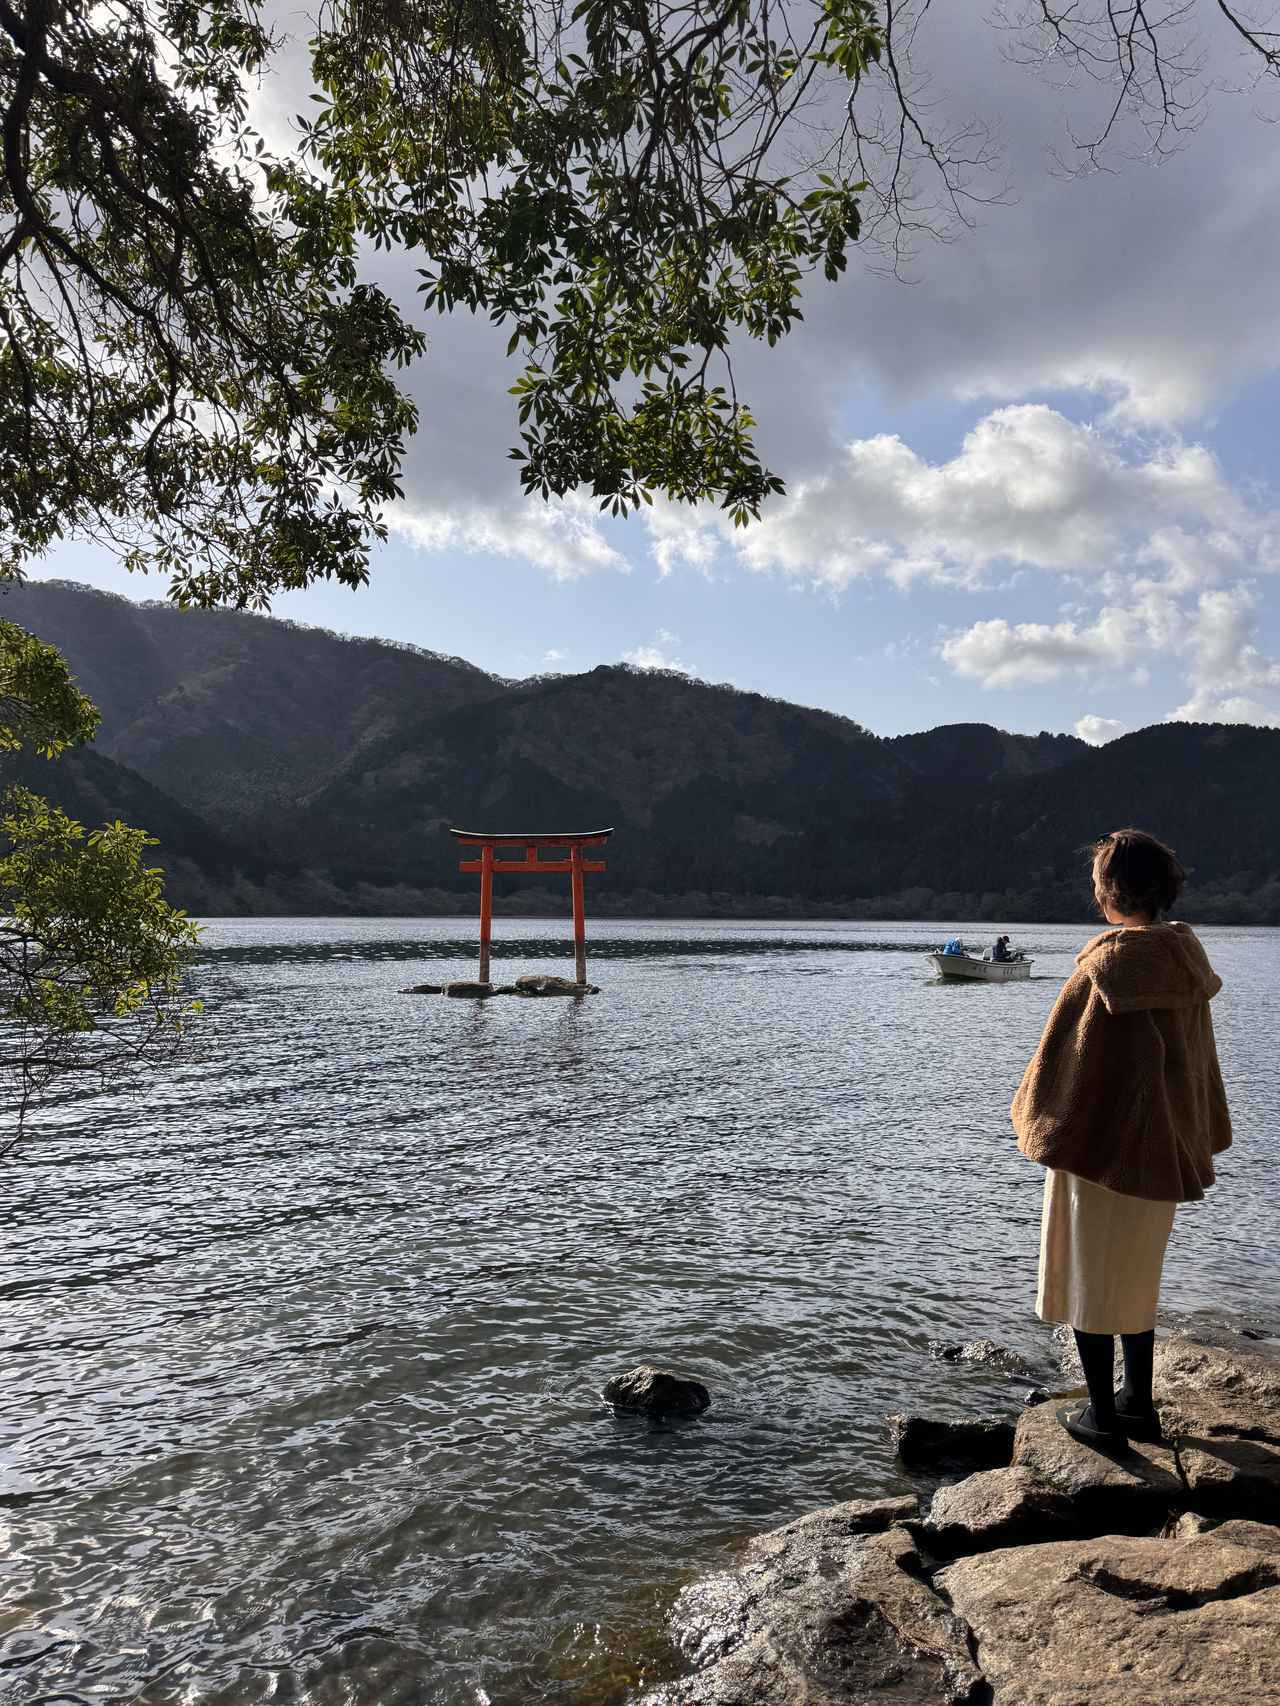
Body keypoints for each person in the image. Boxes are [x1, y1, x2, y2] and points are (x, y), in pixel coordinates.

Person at [1010, 828, 1231, 1450]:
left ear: (1110, 891)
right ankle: (1140, 1403)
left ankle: (1102, 1416)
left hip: (1098, 1151)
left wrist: (1040, 1119)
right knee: (1135, 1277)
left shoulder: (1104, 967)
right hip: (1162, 1150)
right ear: (1165, 892)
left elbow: (1064, 1065)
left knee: (1088, 1277)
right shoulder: (1186, 964)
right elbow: (1198, 1064)